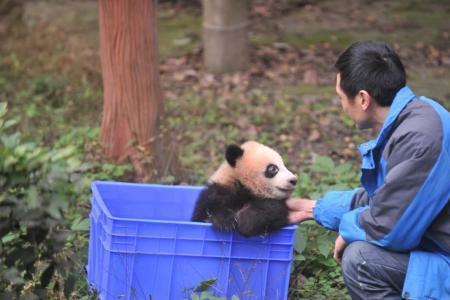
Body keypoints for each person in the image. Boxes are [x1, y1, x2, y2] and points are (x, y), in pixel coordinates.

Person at [287, 40, 450, 300]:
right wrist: (312, 208)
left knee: (360, 260)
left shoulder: (419, 138)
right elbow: (384, 199)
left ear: (363, 98)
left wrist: (347, 229)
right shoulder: (417, 119)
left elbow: (388, 230)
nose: (341, 106)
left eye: (341, 97)